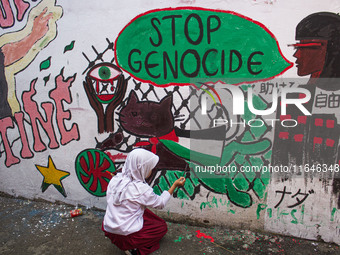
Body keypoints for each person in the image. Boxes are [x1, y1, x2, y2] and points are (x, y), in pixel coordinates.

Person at [102, 148, 186, 255]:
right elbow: (160, 203)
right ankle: (134, 249)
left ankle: (126, 242)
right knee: (161, 227)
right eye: (149, 168)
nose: (151, 170)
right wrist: (174, 186)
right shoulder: (141, 190)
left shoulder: (116, 179)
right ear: (142, 168)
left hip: (109, 229)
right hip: (126, 236)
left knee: (143, 212)